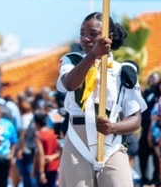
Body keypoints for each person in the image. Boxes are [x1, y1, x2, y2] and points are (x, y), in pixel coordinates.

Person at [56, 12, 147, 187]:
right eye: (82, 33)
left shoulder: (123, 71)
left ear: (108, 37)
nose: (85, 39)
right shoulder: (72, 61)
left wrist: (113, 127)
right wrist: (93, 56)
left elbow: (135, 119)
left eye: (93, 34)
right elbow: (70, 84)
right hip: (78, 142)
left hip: (111, 143)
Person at [140, 72, 161, 187]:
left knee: (156, 157)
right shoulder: (147, 93)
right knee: (142, 154)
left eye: (155, 78)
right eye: (151, 77)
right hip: (145, 130)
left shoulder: (159, 96)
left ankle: (156, 179)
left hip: (155, 131)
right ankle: (144, 178)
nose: (152, 79)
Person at [33, 111, 60, 187]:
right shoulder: (53, 132)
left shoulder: (38, 135)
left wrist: (41, 172)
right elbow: (61, 149)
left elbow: (40, 154)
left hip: (44, 167)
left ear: (36, 124)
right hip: (54, 166)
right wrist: (53, 157)